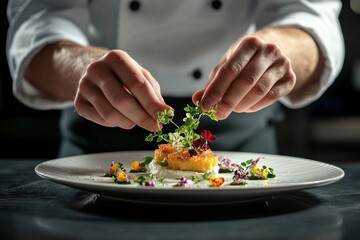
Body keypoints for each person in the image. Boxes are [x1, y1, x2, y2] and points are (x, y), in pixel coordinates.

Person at [6, 0, 344, 158]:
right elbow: (38, 19)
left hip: (240, 137)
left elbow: (311, 16)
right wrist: (83, 68)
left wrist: (276, 51)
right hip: (99, 138)